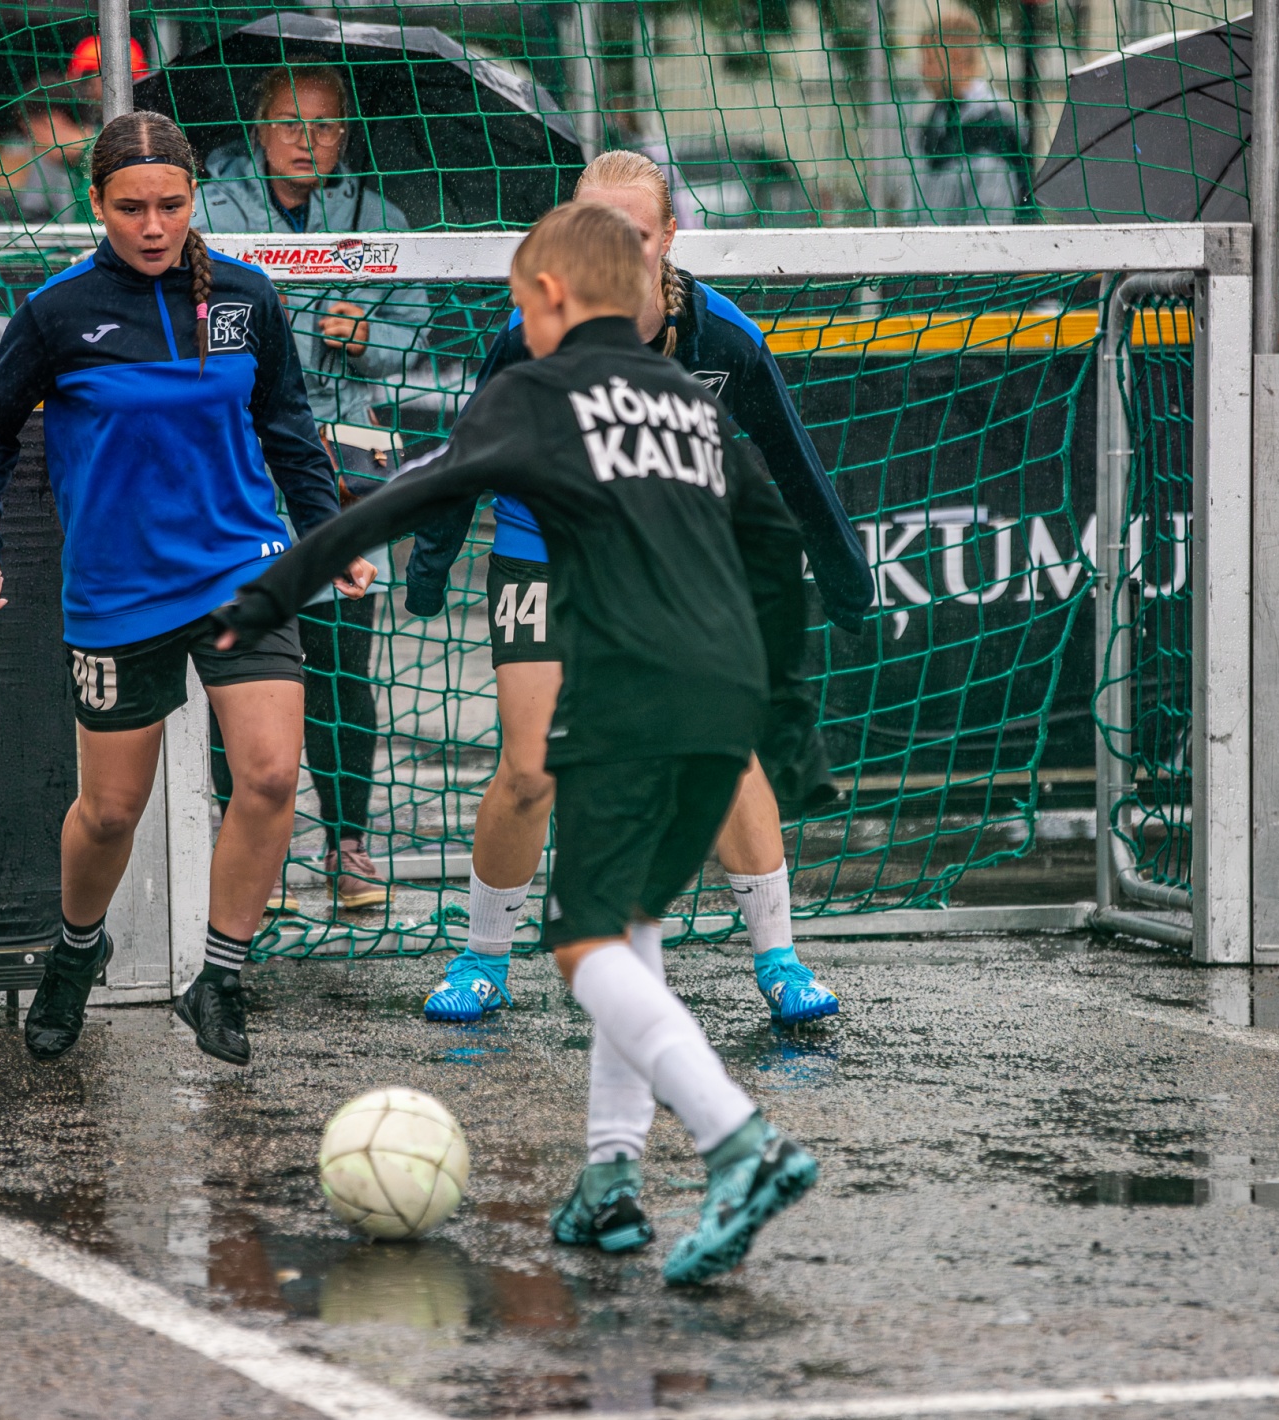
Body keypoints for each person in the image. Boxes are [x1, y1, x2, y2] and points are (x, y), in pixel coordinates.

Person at [207, 200, 821, 1285]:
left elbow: (412, 492)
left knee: (583, 944)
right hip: (721, 695)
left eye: (518, 306)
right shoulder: (687, 399)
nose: (518, 327)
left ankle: (739, 1141)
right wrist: (793, 721)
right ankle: (610, 1180)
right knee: (627, 930)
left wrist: (272, 594)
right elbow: (775, 544)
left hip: (629, 690)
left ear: (549, 298)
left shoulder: (539, 391)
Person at [404, 150, 875, 1026]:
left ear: (667, 238)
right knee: (531, 768)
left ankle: (780, 961)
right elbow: (471, 453)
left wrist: (845, 576)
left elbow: (791, 462)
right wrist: (431, 566)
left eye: (631, 232)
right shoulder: (532, 330)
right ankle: (483, 958)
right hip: (544, 544)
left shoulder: (723, 340)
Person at [0, 111, 372, 1068]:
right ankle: (77, 949)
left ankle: (219, 976)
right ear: (97, 203)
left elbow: (288, 427)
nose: (153, 226)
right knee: (110, 812)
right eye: (131, 207)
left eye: (171, 206)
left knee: (270, 774)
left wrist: (329, 533)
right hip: (117, 589)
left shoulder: (248, 299)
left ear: (194, 200)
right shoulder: (57, 312)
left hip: (241, 565)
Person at [195, 66, 429, 910]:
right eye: (290, 122)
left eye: (325, 126)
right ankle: (246, 853)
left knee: (342, 666)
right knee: (241, 664)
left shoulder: (381, 219)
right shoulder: (207, 211)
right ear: (258, 127)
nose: (307, 140)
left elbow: (411, 332)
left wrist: (367, 337)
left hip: (345, 465)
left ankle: (349, 847)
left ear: (345, 136)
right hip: (240, 468)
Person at [902, 5, 1031, 226]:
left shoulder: (998, 124)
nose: (922, 71)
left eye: (929, 60)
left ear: (956, 58)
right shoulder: (930, 118)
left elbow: (993, 218)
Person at [0, 82, 94, 224]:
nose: (32, 145)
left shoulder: (97, 168)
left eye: (30, 133)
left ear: (51, 122)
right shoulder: (81, 166)